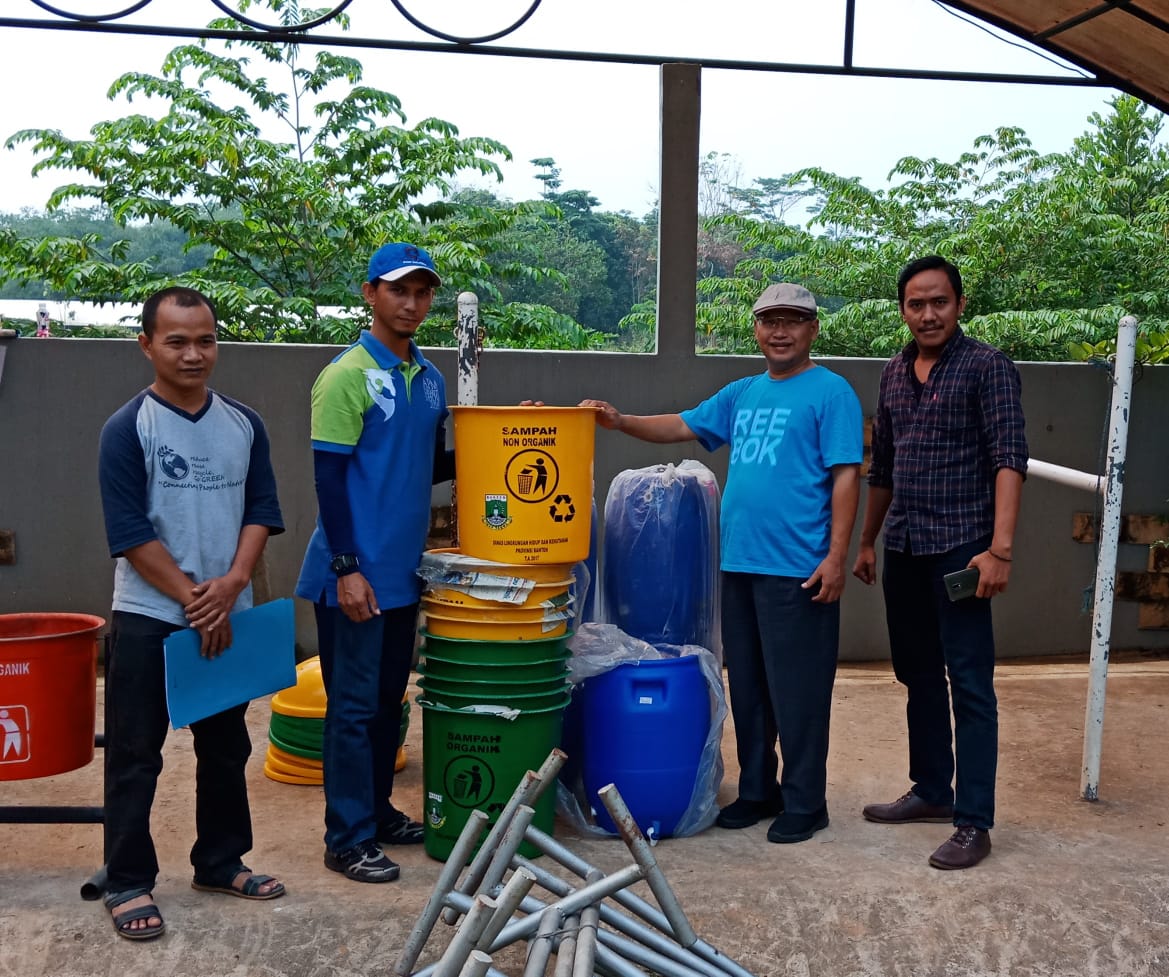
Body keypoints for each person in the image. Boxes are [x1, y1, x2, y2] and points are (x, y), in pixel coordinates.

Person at [581, 282, 862, 844]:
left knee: (799, 692)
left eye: (793, 321)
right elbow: (681, 425)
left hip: (799, 568)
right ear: (755, 328)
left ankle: (807, 802)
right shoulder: (742, 394)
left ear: (813, 329)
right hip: (740, 565)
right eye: (769, 320)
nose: (779, 331)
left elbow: (846, 476)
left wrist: (836, 557)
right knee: (751, 688)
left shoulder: (832, 394)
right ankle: (759, 790)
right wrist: (619, 420)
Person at [97, 286, 286, 941]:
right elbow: (127, 531)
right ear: (145, 343)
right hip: (150, 614)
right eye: (176, 340)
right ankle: (126, 880)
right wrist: (191, 596)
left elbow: (262, 509)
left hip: (226, 611)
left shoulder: (244, 424)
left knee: (225, 744)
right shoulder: (128, 428)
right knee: (134, 753)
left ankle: (220, 859)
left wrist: (231, 584)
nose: (193, 353)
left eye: (204, 339)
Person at [852, 255, 1027, 871]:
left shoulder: (988, 367)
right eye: (916, 304)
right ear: (902, 309)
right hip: (903, 547)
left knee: (970, 684)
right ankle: (931, 789)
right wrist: (868, 540)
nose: (928, 314)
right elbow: (885, 468)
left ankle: (973, 821)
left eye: (939, 302)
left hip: (962, 549)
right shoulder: (894, 373)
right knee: (917, 675)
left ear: (959, 305)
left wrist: (999, 550)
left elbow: (1010, 458)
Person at [295, 242, 454, 882]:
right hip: (352, 573)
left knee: (390, 703)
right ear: (370, 295)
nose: (411, 303)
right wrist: (346, 567)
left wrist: (499, 435)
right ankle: (347, 837)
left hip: (401, 573)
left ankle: (380, 812)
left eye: (421, 292)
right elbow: (328, 480)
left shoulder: (432, 377)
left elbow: (429, 467)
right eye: (397, 291)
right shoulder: (345, 376)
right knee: (354, 710)